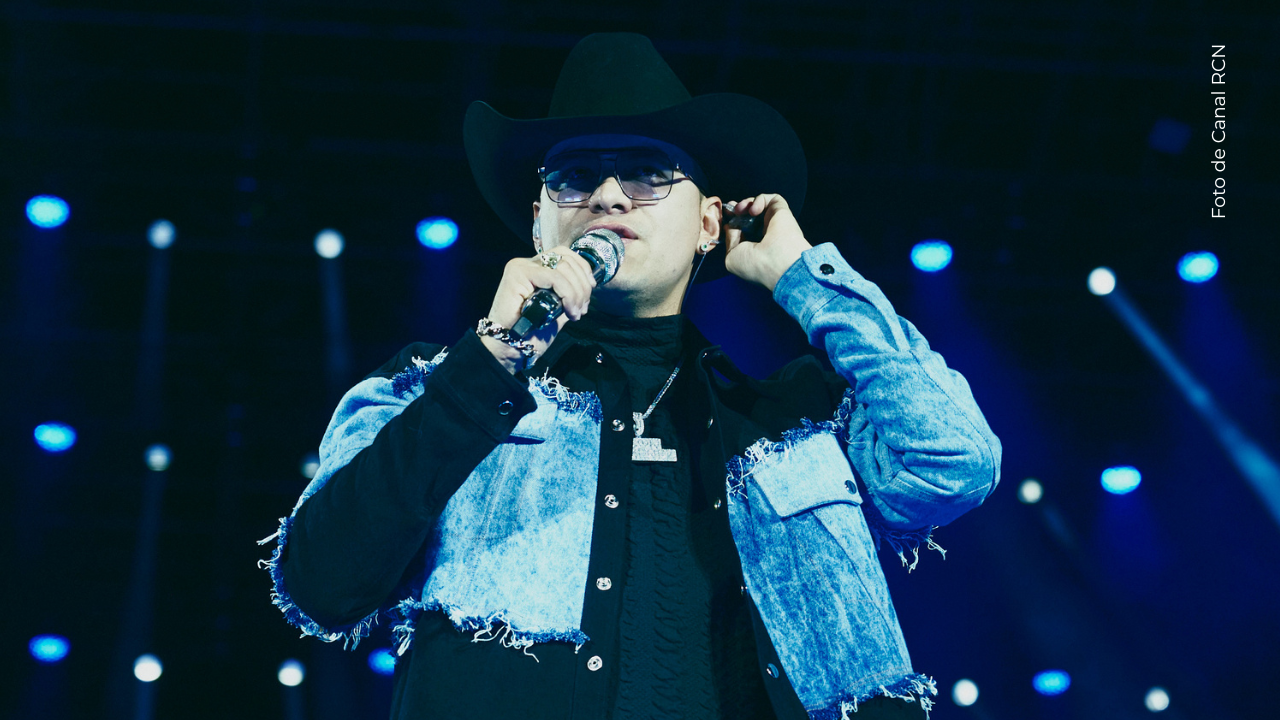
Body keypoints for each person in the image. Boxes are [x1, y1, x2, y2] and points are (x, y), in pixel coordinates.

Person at [260, 33, 1001, 720]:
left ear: (708, 223)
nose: (609, 196)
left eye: (648, 174)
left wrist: (805, 278)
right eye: (576, 177)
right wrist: (492, 362)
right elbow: (322, 584)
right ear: (539, 221)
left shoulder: (799, 415)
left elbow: (957, 460)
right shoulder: (436, 384)